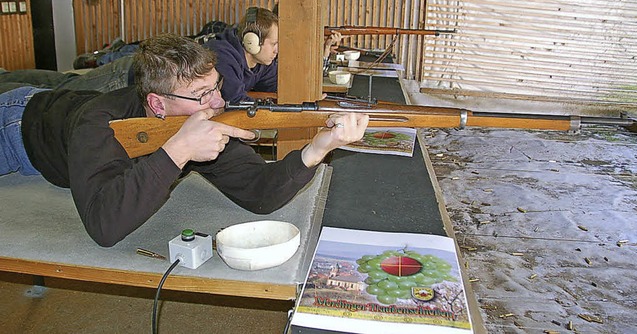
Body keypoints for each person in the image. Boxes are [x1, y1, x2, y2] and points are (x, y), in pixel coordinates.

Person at [0, 33, 369, 247]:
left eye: (216, 87)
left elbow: (260, 194)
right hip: (16, 125)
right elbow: (103, 226)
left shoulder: (193, 118)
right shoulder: (99, 124)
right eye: (201, 95)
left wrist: (318, 147)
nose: (219, 103)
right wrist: (177, 151)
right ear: (158, 104)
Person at [203, 7, 279, 103]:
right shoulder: (222, 57)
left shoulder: (261, 62)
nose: (277, 50)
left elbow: (278, 86)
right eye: (274, 44)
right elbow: (235, 102)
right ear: (252, 41)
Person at [0, 55, 134, 94]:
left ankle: (3, 76)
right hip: (125, 78)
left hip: (128, 70)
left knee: (61, 83)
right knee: (54, 96)